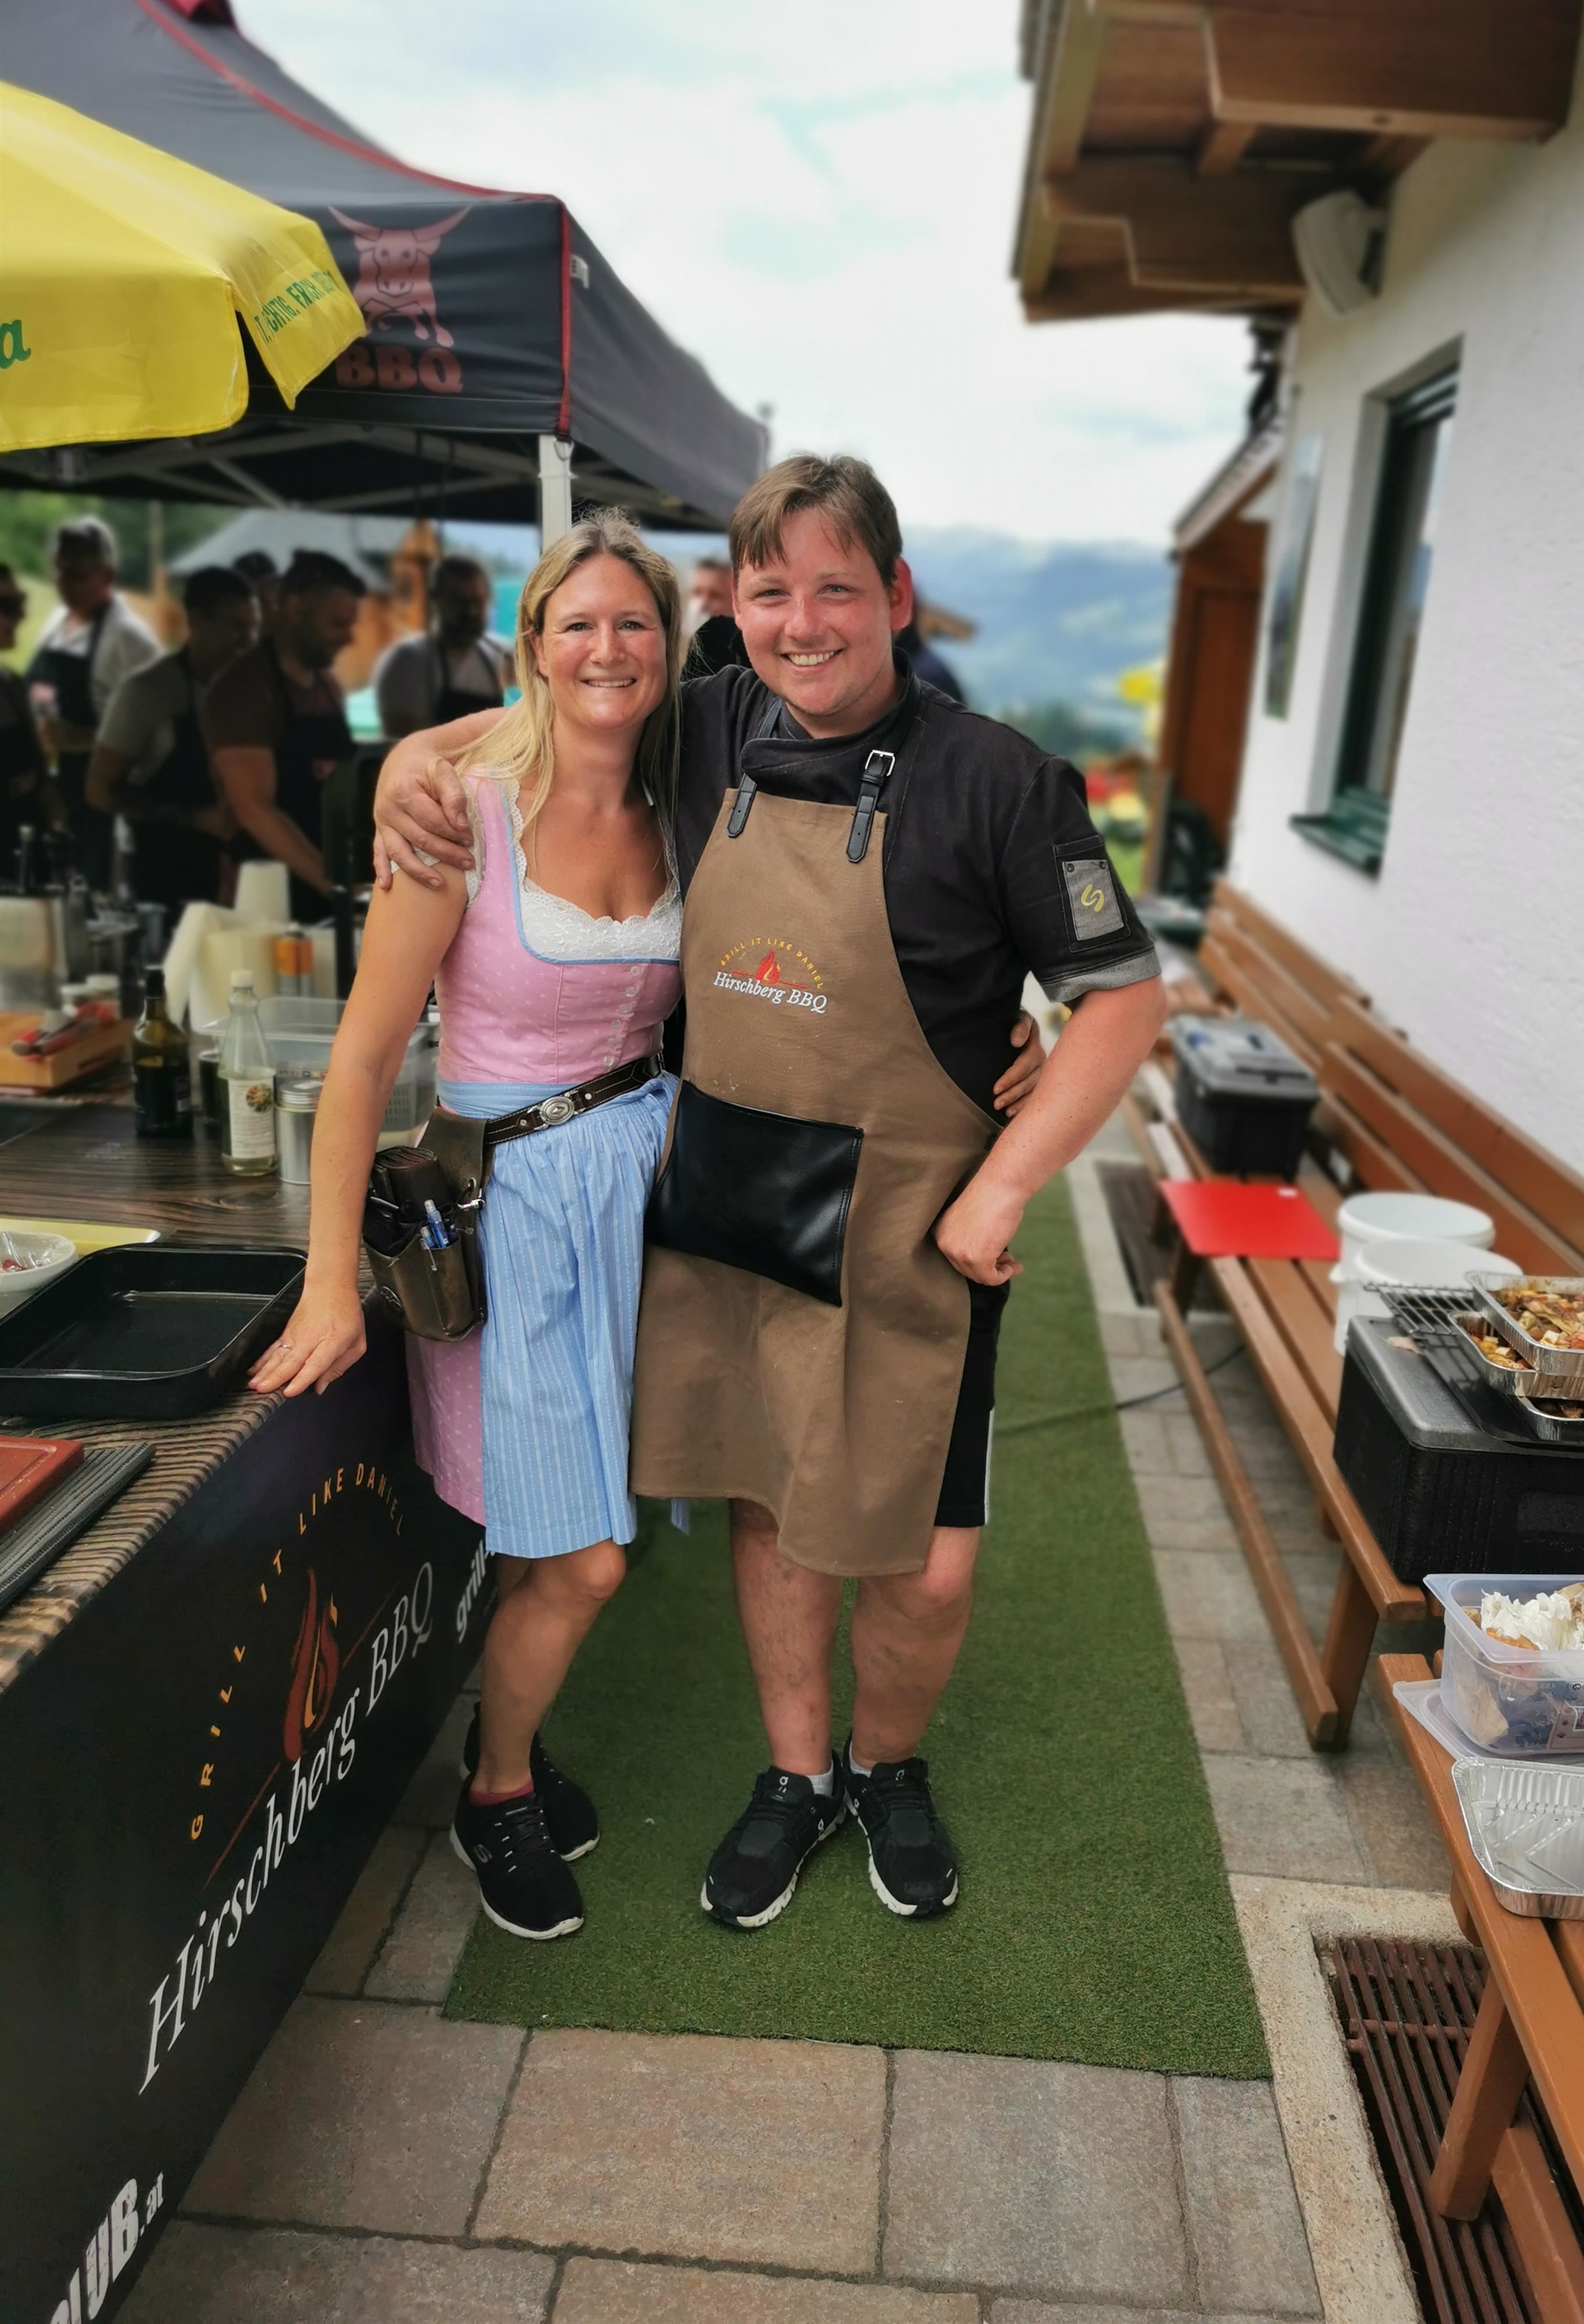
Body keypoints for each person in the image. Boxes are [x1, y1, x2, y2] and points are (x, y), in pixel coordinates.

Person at [373, 454, 1164, 1933]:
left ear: (896, 595)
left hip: (916, 1231)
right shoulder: (712, 719)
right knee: (774, 1506)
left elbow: (1122, 1000)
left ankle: (886, 1765)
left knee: (927, 1570)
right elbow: (535, 709)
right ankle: (796, 1774)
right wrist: (401, 762)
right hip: (733, 1207)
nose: (803, 623)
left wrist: (1002, 1189)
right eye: (771, 591)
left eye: (835, 589)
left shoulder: (1004, 783)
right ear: (734, 608)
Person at [250, 513, 686, 1943]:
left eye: (635, 622)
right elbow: (363, 1062)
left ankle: (516, 1735)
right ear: (532, 645)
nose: (607, 647)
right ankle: (493, 1790)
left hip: (638, 1202)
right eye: (578, 622)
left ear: (670, 646)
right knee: (585, 1554)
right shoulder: (460, 820)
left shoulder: (682, 798)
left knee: (560, 1532)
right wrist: (330, 1282)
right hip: (508, 1213)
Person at [203, 549, 363, 918]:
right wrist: (339, 887)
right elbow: (254, 809)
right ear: (294, 608)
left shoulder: (327, 687)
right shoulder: (246, 689)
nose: (349, 639)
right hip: (265, 898)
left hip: (325, 894)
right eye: (337, 625)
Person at [87, 565, 258, 912]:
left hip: (247, 879)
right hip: (167, 887)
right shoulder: (147, 693)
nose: (247, 642)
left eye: (252, 628)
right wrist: (197, 818)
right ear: (196, 622)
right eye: (236, 628)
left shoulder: (254, 693)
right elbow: (100, 791)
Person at [26, 517, 160, 889]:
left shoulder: (131, 640)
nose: (63, 584)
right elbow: (40, 687)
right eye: (59, 572)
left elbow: (159, 733)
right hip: (53, 798)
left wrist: (82, 738)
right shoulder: (57, 621)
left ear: (108, 575)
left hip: (101, 805)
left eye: (76, 575)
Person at [374, 554, 511, 739]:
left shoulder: (497, 655)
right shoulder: (408, 661)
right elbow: (406, 744)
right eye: (461, 603)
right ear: (435, 602)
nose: (471, 612)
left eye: (478, 603)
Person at [0, 563, 58, 873]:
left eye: (19, 603)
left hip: (27, 867)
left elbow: (42, 780)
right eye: (7, 607)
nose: (21, 616)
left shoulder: (12, 686)